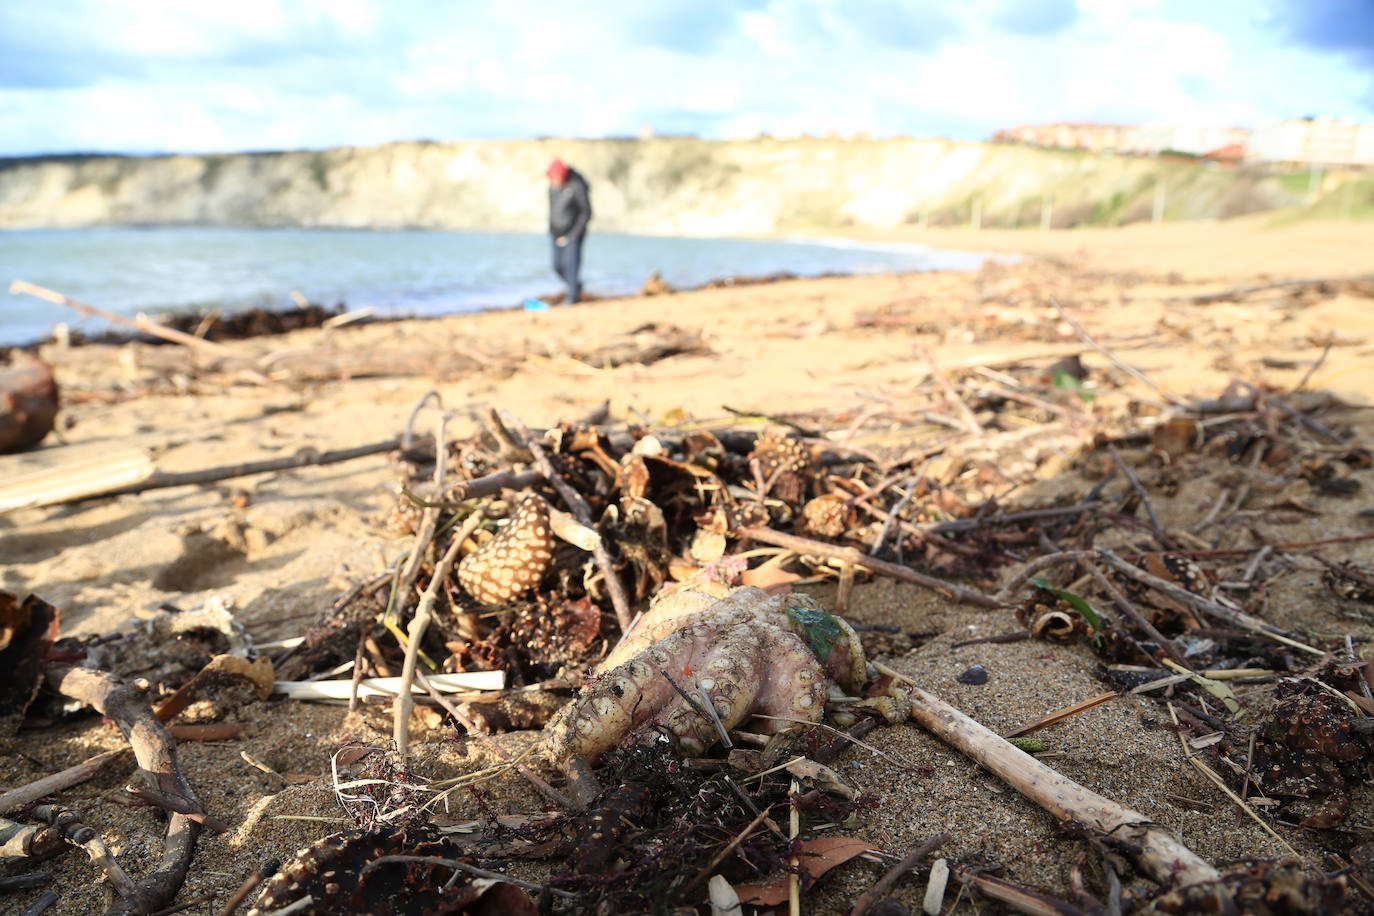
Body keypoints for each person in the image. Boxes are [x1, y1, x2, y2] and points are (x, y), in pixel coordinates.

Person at [545, 158, 591, 303]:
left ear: (562, 175)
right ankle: (575, 286)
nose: (553, 180)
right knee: (557, 266)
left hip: (573, 234)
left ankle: (572, 297)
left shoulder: (576, 186)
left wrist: (576, 233)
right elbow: (553, 211)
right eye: (551, 177)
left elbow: (586, 212)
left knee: (571, 266)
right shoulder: (552, 188)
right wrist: (551, 229)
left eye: (555, 176)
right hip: (555, 233)